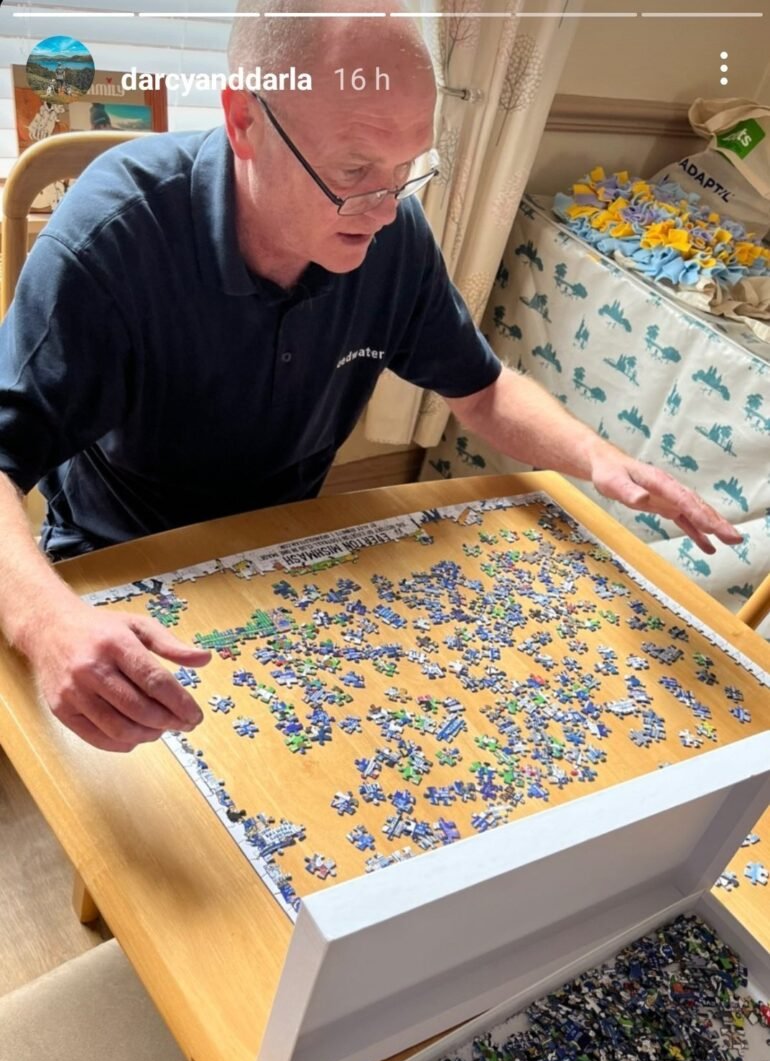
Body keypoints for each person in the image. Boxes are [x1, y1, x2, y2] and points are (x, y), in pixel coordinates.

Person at [0, 0, 741, 755]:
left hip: (290, 547)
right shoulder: (112, 233)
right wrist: (50, 622)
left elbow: (479, 387)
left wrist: (600, 461)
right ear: (245, 123)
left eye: (406, 170)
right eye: (354, 171)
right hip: (125, 562)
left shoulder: (392, 233)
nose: (385, 211)